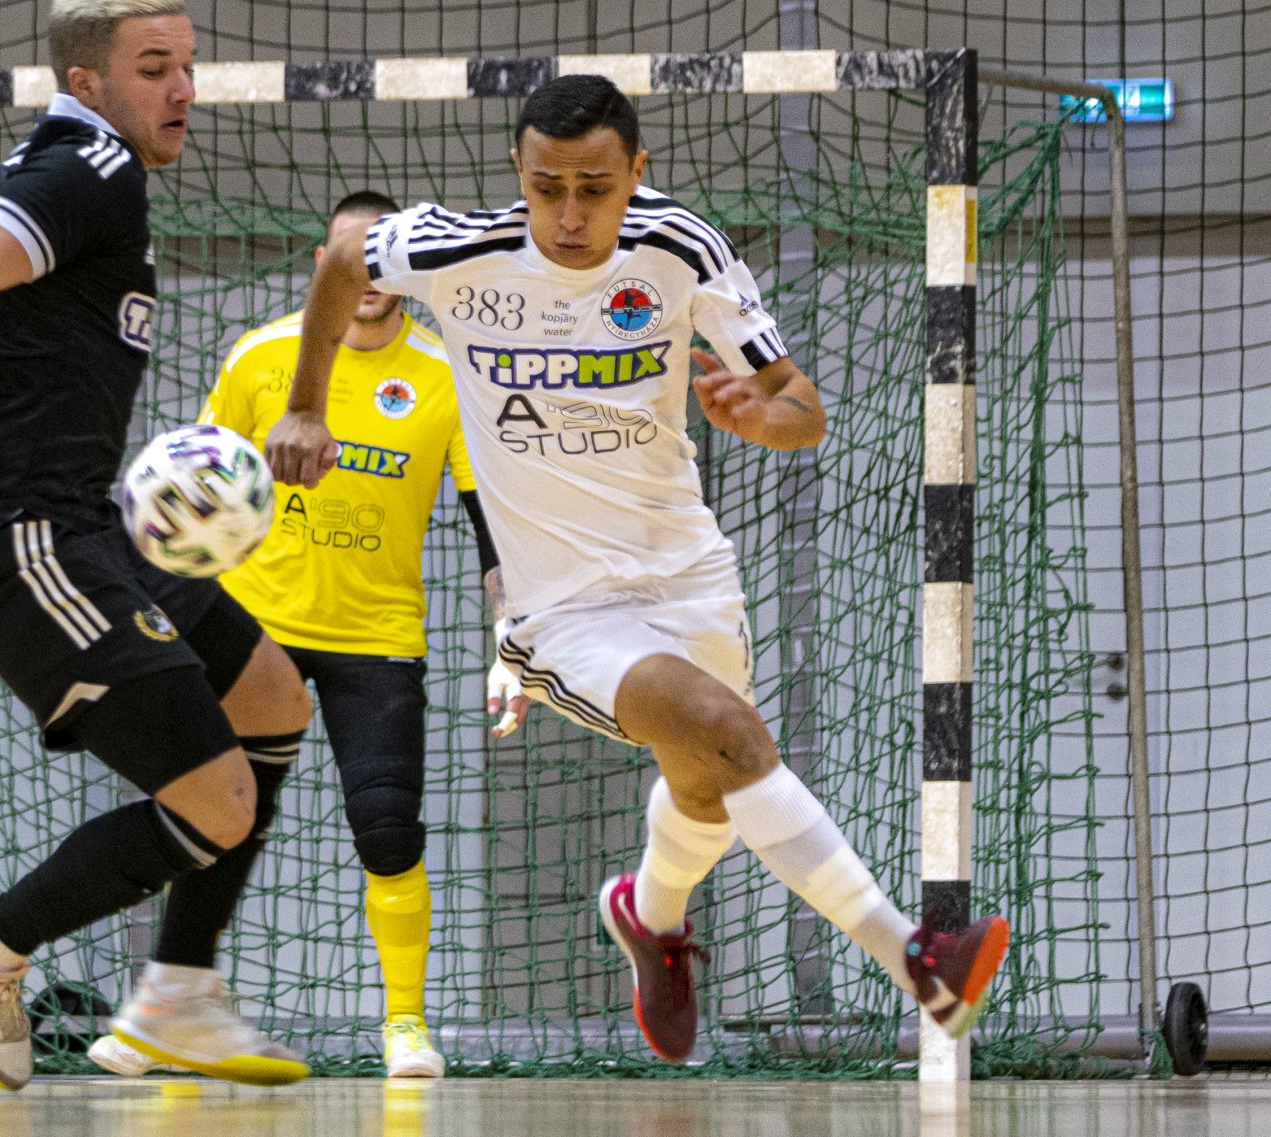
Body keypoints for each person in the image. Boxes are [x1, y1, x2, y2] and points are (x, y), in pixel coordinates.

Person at [262, 74, 1010, 1064]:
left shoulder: (682, 248)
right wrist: (306, 404)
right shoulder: (456, 249)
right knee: (730, 733)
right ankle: (916, 958)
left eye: (595, 188)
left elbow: (803, 409)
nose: (570, 214)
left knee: (709, 784)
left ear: (636, 174)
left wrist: (760, 417)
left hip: (688, 576)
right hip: (563, 613)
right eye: (547, 187)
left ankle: (650, 921)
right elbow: (345, 257)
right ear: (519, 175)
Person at [0, 0, 314, 1090]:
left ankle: (179, 997)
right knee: (220, 803)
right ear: (86, 79)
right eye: (155, 70)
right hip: (22, 540)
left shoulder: (45, 165)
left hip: (90, 525)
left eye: (189, 65)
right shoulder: (91, 169)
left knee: (274, 696)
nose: (183, 89)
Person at [86, 191, 504, 1080]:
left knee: (387, 826)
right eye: (347, 258)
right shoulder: (261, 356)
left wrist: (512, 625)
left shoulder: (442, 374)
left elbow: (487, 520)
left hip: (375, 633)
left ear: (400, 271)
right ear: (324, 263)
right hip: (252, 629)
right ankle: (167, 1011)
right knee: (216, 812)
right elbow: (190, 485)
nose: (364, 278)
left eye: (380, 261)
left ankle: (404, 1026)